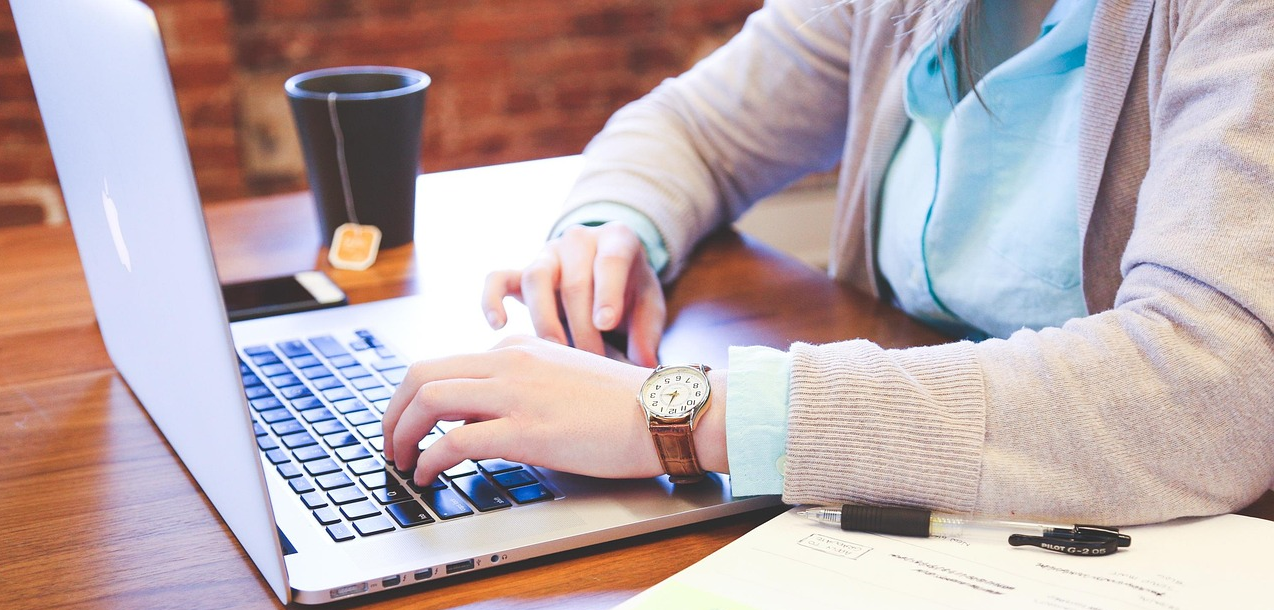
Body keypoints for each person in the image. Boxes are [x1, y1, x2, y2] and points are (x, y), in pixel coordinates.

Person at [383, 0, 1274, 525]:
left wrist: (683, 416)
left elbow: (1215, 384)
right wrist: (611, 229)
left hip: (1140, 532)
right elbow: (695, 126)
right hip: (916, 512)